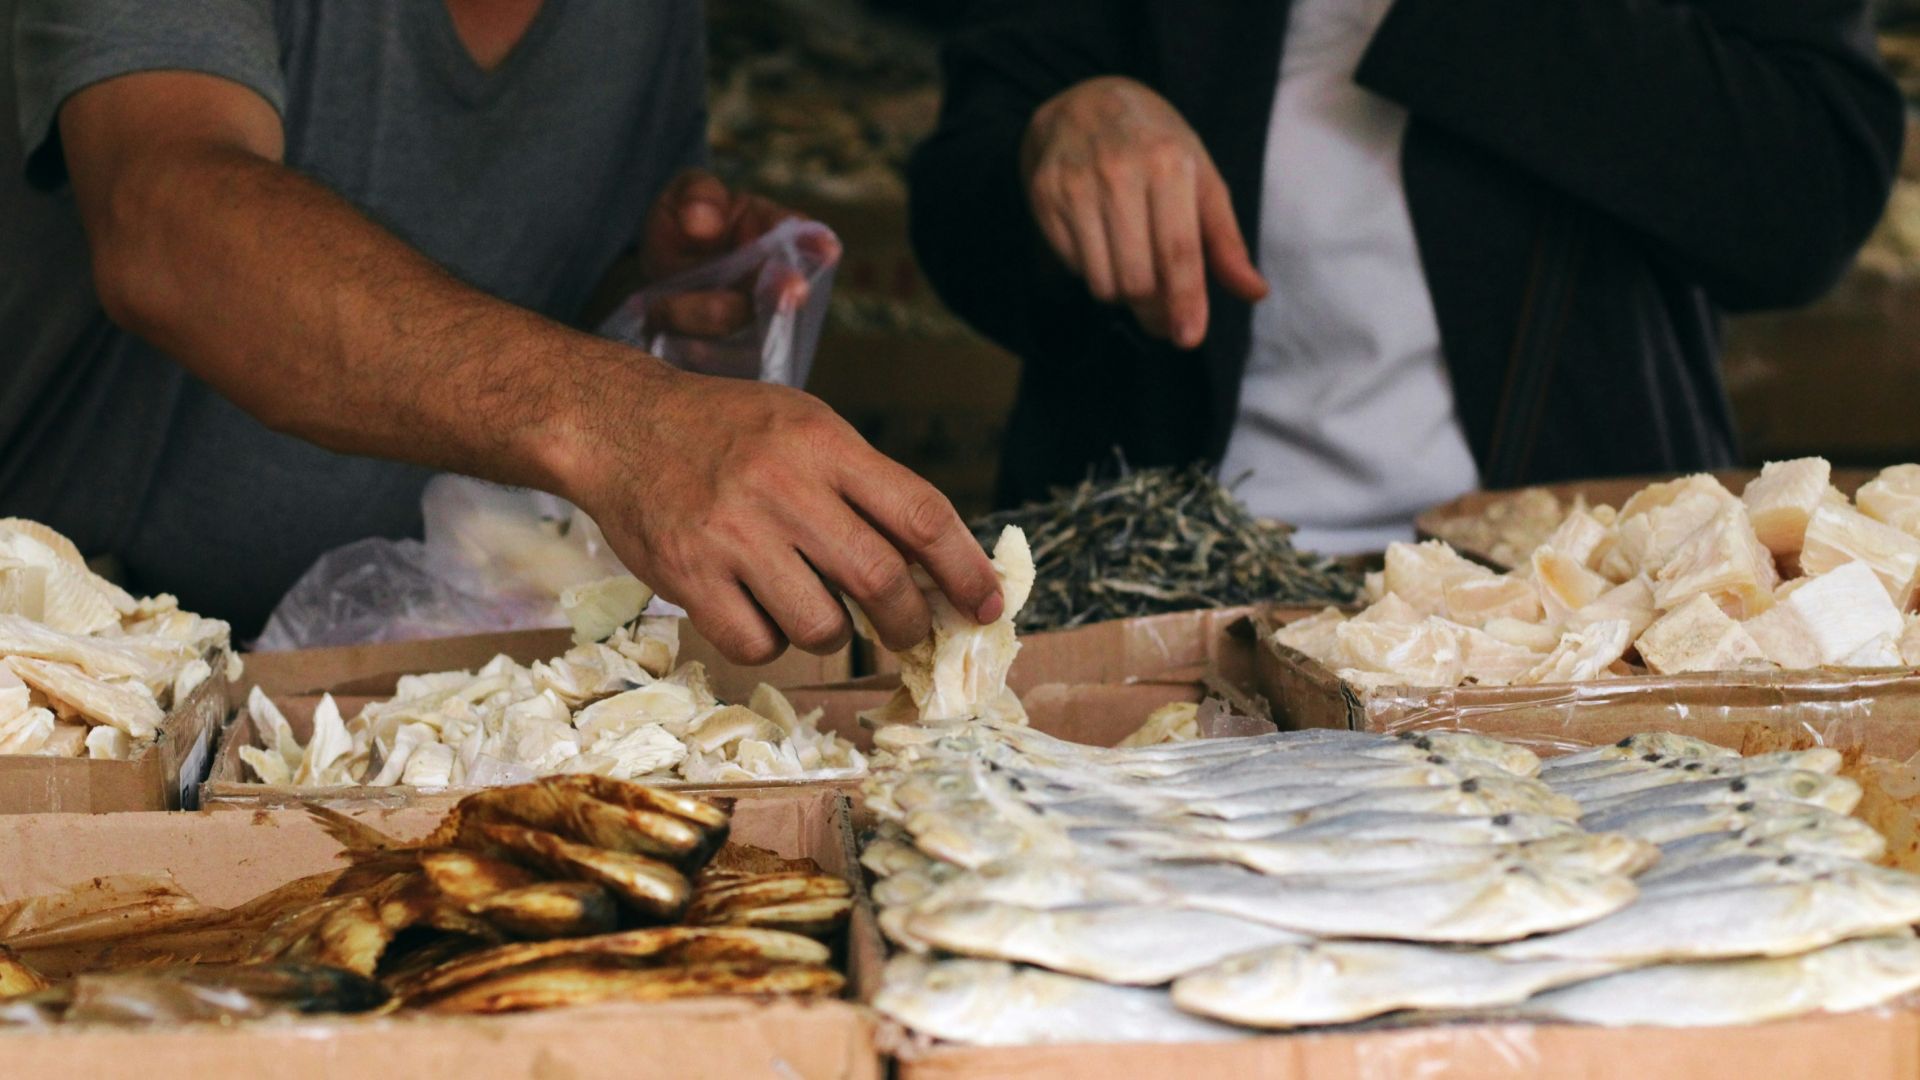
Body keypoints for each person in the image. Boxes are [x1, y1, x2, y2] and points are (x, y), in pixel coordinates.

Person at [0, 0, 1002, 659]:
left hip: (411, 675)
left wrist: (658, 289)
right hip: (77, 678)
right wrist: (633, 421)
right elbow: (164, 227)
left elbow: (509, 313)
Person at [909, 0, 1907, 552]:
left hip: (1570, 603)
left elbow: (1806, 202)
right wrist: (1059, 134)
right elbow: (958, 207)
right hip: (1174, 591)